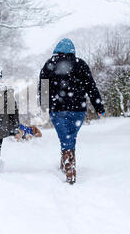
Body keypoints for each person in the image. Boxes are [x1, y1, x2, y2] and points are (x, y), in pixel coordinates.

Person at [39, 39, 105, 184]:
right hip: (78, 110)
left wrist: (44, 106)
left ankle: (69, 169)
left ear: (56, 50)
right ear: (72, 51)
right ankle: (67, 162)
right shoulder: (80, 64)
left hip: (57, 109)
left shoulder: (49, 64)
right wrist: (99, 107)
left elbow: (43, 88)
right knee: (70, 136)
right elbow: (91, 87)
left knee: (65, 137)